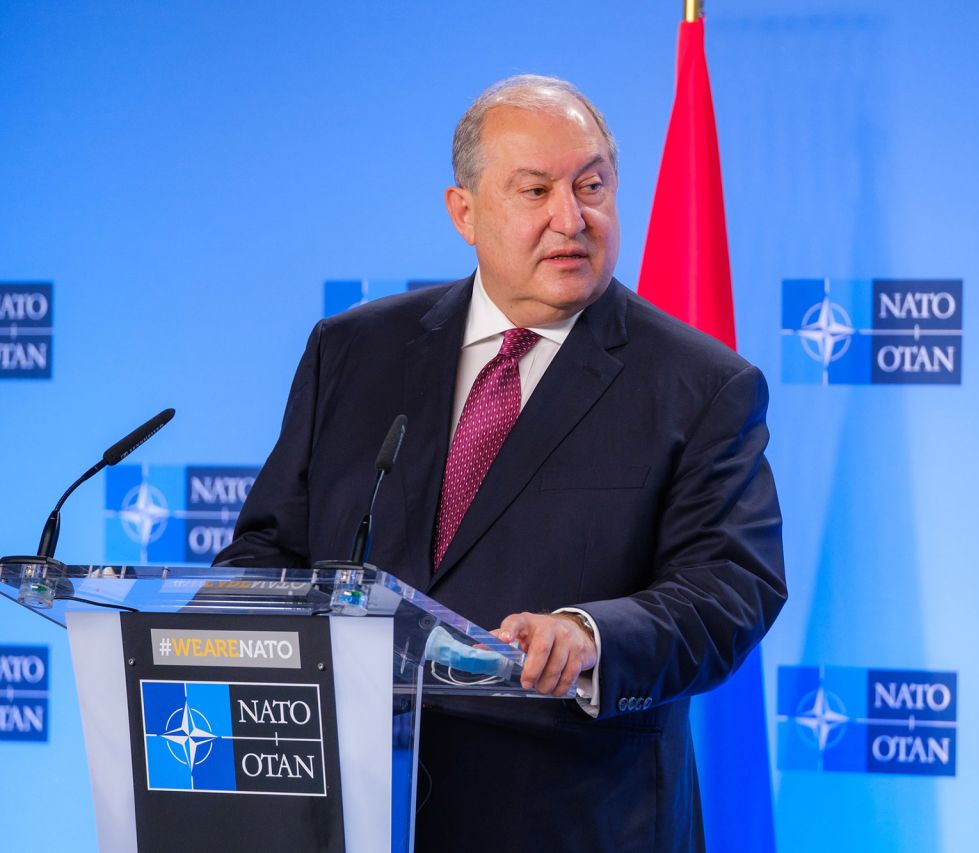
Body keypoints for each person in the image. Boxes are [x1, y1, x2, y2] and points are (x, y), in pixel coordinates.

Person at [216, 74, 785, 852]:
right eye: (536, 189)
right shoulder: (353, 352)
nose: (571, 218)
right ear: (465, 211)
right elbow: (266, 551)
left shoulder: (701, 385)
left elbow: (730, 587)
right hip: (356, 810)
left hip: (575, 818)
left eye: (592, 185)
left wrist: (590, 636)